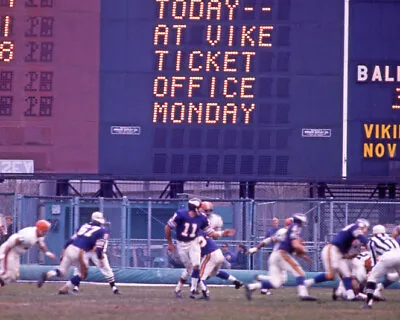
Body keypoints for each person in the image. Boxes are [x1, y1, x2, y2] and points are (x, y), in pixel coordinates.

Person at [165, 198, 235, 298]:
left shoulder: (202, 218)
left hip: (194, 242)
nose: (202, 210)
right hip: (181, 244)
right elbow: (167, 227)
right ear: (194, 208)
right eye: (200, 208)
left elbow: (211, 234)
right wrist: (170, 243)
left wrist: (223, 233)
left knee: (196, 265)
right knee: (189, 269)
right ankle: (190, 290)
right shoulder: (181, 215)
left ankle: (193, 290)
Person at [245, 214, 316, 301]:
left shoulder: (289, 232)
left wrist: (302, 255)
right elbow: (270, 240)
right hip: (281, 255)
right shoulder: (286, 231)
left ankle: (251, 286)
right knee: (299, 273)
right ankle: (303, 294)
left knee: (276, 283)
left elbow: (291, 247)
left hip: (277, 256)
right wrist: (256, 248)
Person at [37, 211, 108, 294]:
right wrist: (101, 260)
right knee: (83, 273)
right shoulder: (102, 231)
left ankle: (48, 274)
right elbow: (99, 249)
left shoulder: (84, 226)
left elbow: (70, 240)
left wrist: (63, 253)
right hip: (80, 251)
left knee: (61, 272)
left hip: (70, 248)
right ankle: (65, 288)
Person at [304, 219, 370, 300]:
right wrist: (369, 244)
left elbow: (347, 250)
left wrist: (352, 254)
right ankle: (306, 284)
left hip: (339, 253)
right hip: (332, 250)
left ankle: (351, 296)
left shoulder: (351, 231)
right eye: (365, 228)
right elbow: (363, 239)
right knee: (331, 275)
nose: (365, 230)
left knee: (347, 274)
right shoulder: (355, 228)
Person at [69, 221, 120, 295]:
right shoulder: (90, 228)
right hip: (86, 250)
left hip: (95, 251)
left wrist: (100, 254)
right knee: (79, 269)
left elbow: (101, 247)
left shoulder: (99, 231)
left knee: (106, 269)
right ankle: (75, 287)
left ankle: (114, 288)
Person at [0, 220, 55, 287]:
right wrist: (4, 254)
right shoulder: (29, 236)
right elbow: (13, 241)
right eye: (45, 231)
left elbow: (41, 244)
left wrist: (48, 253)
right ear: (40, 229)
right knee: (7, 273)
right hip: (9, 250)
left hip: (15, 253)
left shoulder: (38, 234)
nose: (46, 233)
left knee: (14, 275)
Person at [249, 217, 293, 295]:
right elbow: (270, 239)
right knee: (278, 281)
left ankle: (260, 282)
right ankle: (253, 285)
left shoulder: (287, 232)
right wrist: (256, 248)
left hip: (280, 257)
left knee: (280, 279)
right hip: (278, 258)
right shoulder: (284, 232)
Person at [362, 224, 400, 305]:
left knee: (372, 278)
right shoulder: (391, 239)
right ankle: (382, 284)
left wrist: (373, 269)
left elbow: (373, 257)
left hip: (387, 256)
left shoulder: (372, 240)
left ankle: (368, 303)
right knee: (395, 277)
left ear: (374, 232)